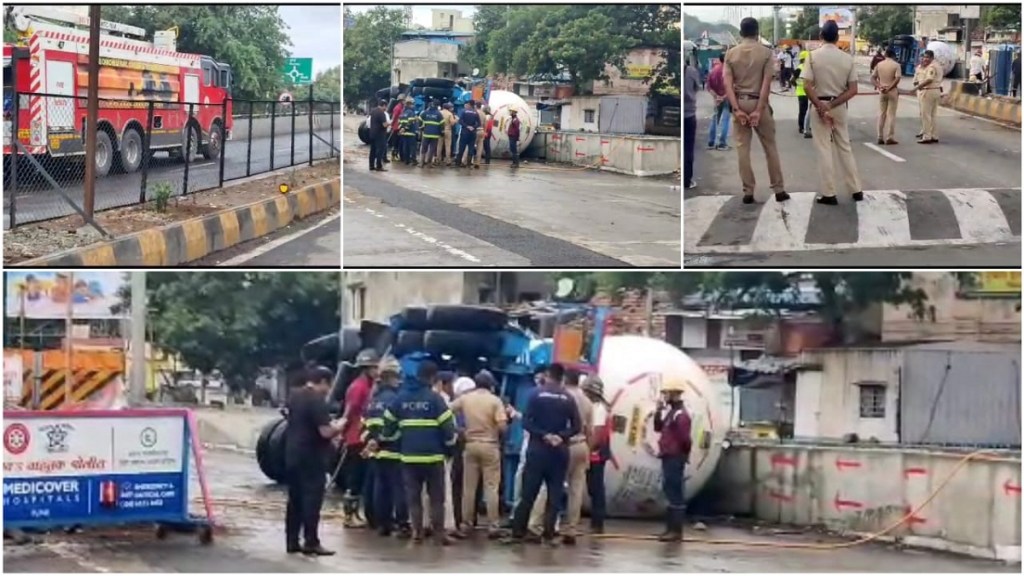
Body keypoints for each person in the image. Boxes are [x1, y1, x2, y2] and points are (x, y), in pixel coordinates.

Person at [503, 363, 581, 547]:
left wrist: (543, 434)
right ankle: (548, 535)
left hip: (537, 450)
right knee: (554, 495)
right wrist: (560, 436)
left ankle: (518, 533)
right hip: (559, 453)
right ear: (562, 378)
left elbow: (526, 422)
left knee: (528, 493)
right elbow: (577, 426)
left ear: (547, 375)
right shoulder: (568, 398)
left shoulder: (535, 394)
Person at [382, 361, 459, 546]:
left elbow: (388, 426)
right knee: (436, 498)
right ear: (433, 378)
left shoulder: (400, 398)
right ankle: (439, 535)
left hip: (408, 458)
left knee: (413, 497)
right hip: (433, 458)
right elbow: (449, 430)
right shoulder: (435, 399)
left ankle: (417, 533)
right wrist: (450, 447)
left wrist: (395, 438)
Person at [724, 17, 790, 205]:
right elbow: (766, 84)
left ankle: (748, 191)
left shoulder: (731, 54)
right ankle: (779, 189)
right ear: (757, 32)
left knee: (742, 149)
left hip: (739, 102)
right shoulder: (766, 53)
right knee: (770, 147)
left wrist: (736, 109)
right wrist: (759, 110)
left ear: (741, 32)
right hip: (758, 102)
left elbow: (727, 85)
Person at [284, 365, 345, 556]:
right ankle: (311, 541)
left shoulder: (294, 395)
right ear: (324, 382)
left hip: (292, 453)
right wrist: (340, 426)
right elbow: (325, 432)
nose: (329, 389)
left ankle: (292, 541)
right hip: (312, 456)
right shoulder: (317, 400)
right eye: (329, 384)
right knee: (312, 500)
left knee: (294, 499)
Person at [528, 368, 592, 546]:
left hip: (563, 446)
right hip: (582, 446)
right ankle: (571, 529)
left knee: (550, 488)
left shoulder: (561, 396)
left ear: (564, 379)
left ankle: (536, 525)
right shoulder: (587, 400)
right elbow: (589, 429)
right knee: (576, 490)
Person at [803, 19, 864, 206]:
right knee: (844, 146)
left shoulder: (812, 57)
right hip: (839, 107)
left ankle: (829, 193)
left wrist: (821, 106)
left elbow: (806, 85)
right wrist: (832, 105)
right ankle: (856, 190)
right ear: (838, 38)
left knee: (824, 149)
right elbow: (853, 90)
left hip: (819, 105)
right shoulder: (847, 59)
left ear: (821, 36)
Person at [451, 369, 507, 539]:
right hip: (490, 446)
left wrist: (459, 431)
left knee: (469, 488)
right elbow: (503, 426)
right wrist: (496, 434)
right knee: (491, 487)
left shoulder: (465, 399)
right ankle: (493, 525)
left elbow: (446, 411)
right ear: (490, 385)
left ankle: (466, 523)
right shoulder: (495, 401)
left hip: (470, 445)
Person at [363, 357, 410, 538]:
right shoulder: (395, 399)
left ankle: (383, 524)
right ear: (392, 377)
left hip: (376, 452)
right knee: (398, 489)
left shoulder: (373, 400)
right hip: (394, 449)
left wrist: (373, 443)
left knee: (380, 489)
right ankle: (402, 523)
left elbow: (366, 425)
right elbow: (400, 425)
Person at [340, 349, 378, 528]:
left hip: (363, 436)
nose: (376, 371)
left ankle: (355, 513)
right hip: (356, 439)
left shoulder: (369, 386)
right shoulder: (358, 387)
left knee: (362, 476)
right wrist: (343, 431)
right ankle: (349, 516)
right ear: (367, 368)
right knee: (355, 477)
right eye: (374, 367)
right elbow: (350, 410)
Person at [652, 377, 692, 543]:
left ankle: (676, 531)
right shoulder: (672, 413)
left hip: (675, 457)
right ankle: (670, 529)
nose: (664, 396)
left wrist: (682, 455)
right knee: (669, 490)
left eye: (666, 393)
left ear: (674, 394)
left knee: (675, 491)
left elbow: (686, 440)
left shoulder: (680, 415)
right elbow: (658, 427)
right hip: (669, 456)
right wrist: (657, 411)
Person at [582, 375, 610, 535]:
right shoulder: (593, 407)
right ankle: (596, 522)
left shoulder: (599, 409)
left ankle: (597, 523)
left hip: (596, 453)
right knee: (593, 487)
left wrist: (587, 451)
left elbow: (598, 435)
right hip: (593, 451)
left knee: (596, 487)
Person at [872, 48, 902, 145]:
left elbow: (872, 78)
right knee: (891, 114)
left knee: (881, 114)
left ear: (885, 55)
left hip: (882, 91)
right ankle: (890, 137)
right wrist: (890, 88)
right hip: (892, 91)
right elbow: (897, 78)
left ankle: (880, 136)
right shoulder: (896, 65)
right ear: (893, 56)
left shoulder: (879, 65)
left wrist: (879, 86)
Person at [912, 50, 942, 144]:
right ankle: (934, 135)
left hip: (928, 91)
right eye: (924, 57)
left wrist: (918, 87)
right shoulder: (937, 66)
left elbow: (929, 79)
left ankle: (927, 136)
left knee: (926, 115)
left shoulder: (932, 67)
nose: (925, 59)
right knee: (932, 115)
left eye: (927, 57)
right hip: (936, 90)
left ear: (932, 58)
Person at [705, 55, 730, 151]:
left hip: (716, 98)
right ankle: (721, 143)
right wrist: (723, 97)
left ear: (720, 59)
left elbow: (708, 86)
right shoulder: (729, 71)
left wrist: (716, 97)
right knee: (725, 119)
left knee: (715, 119)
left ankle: (711, 142)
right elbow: (732, 86)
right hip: (726, 98)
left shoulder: (714, 70)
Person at [683, 61, 700, 189]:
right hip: (689, 114)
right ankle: (687, 181)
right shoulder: (691, 71)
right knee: (688, 149)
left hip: (681, 114)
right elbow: (697, 88)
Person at [456, 100, 481, 168]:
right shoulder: (476, 113)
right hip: (472, 133)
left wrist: (466, 126)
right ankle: (469, 164)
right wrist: (473, 127)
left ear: (469, 104)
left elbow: (460, 121)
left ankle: (458, 163)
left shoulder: (464, 111)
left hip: (465, 132)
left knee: (461, 148)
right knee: (471, 148)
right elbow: (479, 123)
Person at [419, 100, 444, 168]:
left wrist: (421, 127)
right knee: (432, 149)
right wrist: (441, 132)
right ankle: (429, 163)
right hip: (435, 135)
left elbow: (419, 119)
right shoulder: (438, 114)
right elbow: (442, 124)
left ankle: (421, 163)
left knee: (424, 148)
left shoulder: (425, 112)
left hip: (426, 133)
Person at [793, 51, 812, 138]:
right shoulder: (802, 68)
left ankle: (803, 126)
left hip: (802, 92)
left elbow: (792, 81)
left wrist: (796, 86)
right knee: (805, 111)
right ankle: (802, 127)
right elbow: (792, 80)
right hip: (804, 92)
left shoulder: (800, 68)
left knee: (804, 111)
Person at [368, 99, 389, 171]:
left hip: (372, 133)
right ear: (384, 105)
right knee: (380, 150)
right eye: (386, 106)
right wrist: (390, 123)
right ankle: (379, 166)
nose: (386, 108)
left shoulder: (373, 111)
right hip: (380, 134)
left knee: (372, 150)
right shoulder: (381, 113)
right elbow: (384, 125)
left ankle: (371, 166)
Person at [399, 99, 421, 165]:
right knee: (412, 147)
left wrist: (402, 129)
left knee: (406, 147)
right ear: (410, 104)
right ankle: (413, 160)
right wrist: (406, 128)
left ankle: (406, 160)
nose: (413, 106)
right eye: (412, 104)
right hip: (411, 133)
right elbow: (410, 122)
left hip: (404, 133)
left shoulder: (403, 112)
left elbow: (400, 122)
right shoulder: (411, 112)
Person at [389, 96, 405, 161]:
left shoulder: (402, 107)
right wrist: (391, 125)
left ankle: (397, 155)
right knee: (395, 142)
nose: (405, 101)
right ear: (401, 101)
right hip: (396, 127)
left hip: (400, 127)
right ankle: (393, 155)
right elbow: (394, 117)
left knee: (399, 142)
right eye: (404, 100)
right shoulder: (397, 108)